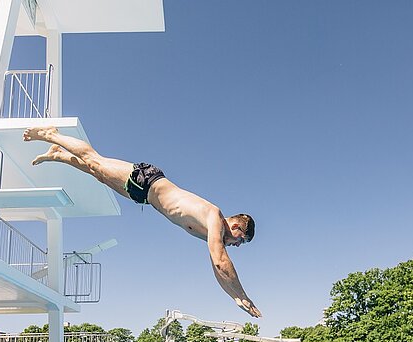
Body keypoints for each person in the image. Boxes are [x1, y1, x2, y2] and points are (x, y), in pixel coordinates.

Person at [23, 127, 261, 318]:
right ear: (237, 226)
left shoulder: (212, 233)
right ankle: (51, 134)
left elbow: (216, 267)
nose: (238, 246)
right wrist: (243, 295)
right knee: (94, 160)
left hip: (143, 196)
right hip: (147, 181)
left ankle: (58, 154)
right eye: (242, 240)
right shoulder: (214, 217)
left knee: (98, 173)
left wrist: (235, 298)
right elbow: (221, 262)